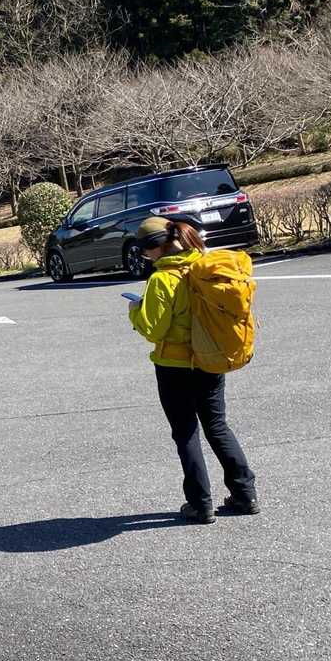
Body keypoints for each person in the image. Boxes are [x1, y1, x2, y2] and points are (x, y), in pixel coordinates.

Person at [129, 216, 259, 524]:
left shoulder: (162, 279)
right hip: (210, 359)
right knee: (217, 426)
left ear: (154, 248)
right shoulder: (203, 267)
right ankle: (245, 494)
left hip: (173, 367)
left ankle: (201, 503)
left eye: (145, 250)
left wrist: (135, 311)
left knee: (186, 432)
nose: (145, 256)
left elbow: (153, 329)